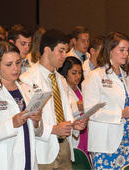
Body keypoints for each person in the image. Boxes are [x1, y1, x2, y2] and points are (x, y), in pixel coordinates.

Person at [82, 32, 129, 169]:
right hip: (106, 143)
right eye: (121, 50)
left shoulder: (128, 75)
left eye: (127, 50)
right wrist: (120, 114)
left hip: (128, 140)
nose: (126, 53)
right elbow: (91, 111)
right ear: (109, 50)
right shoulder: (95, 76)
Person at [20, 29, 87, 170]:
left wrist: (74, 124)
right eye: (61, 51)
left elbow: (64, 112)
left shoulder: (61, 79)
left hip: (64, 147)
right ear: (47, 50)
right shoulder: (28, 79)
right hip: (43, 148)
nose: (64, 56)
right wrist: (54, 129)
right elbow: (28, 121)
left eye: (66, 51)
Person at [0, 41, 42, 170]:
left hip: (28, 162)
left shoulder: (27, 89)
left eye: (18, 63)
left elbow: (36, 132)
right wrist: (11, 123)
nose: (16, 68)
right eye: (9, 64)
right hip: (3, 163)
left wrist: (36, 122)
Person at [58, 56, 88, 158]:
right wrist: (77, 106)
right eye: (74, 73)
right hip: (75, 131)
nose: (78, 76)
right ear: (65, 73)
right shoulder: (62, 89)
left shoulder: (80, 88)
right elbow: (62, 111)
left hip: (84, 130)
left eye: (80, 73)